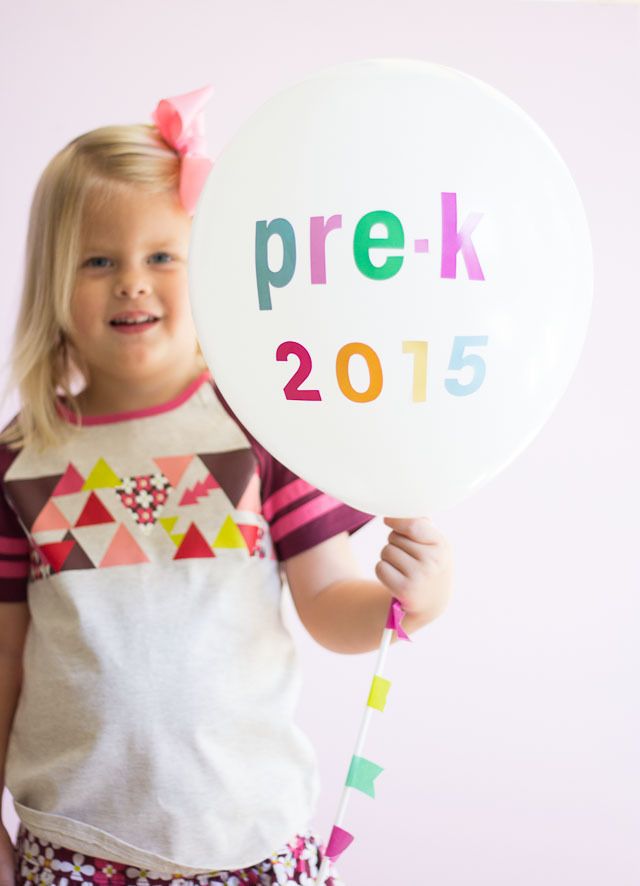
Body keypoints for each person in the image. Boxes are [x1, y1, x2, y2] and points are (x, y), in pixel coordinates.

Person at [0, 85, 454, 886]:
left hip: (254, 847)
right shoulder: (20, 462)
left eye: (161, 257)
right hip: (74, 852)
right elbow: (4, 668)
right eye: (99, 260)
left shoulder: (258, 430)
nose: (132, 283)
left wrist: (410, 597)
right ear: (52, 283)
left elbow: (330, 607)